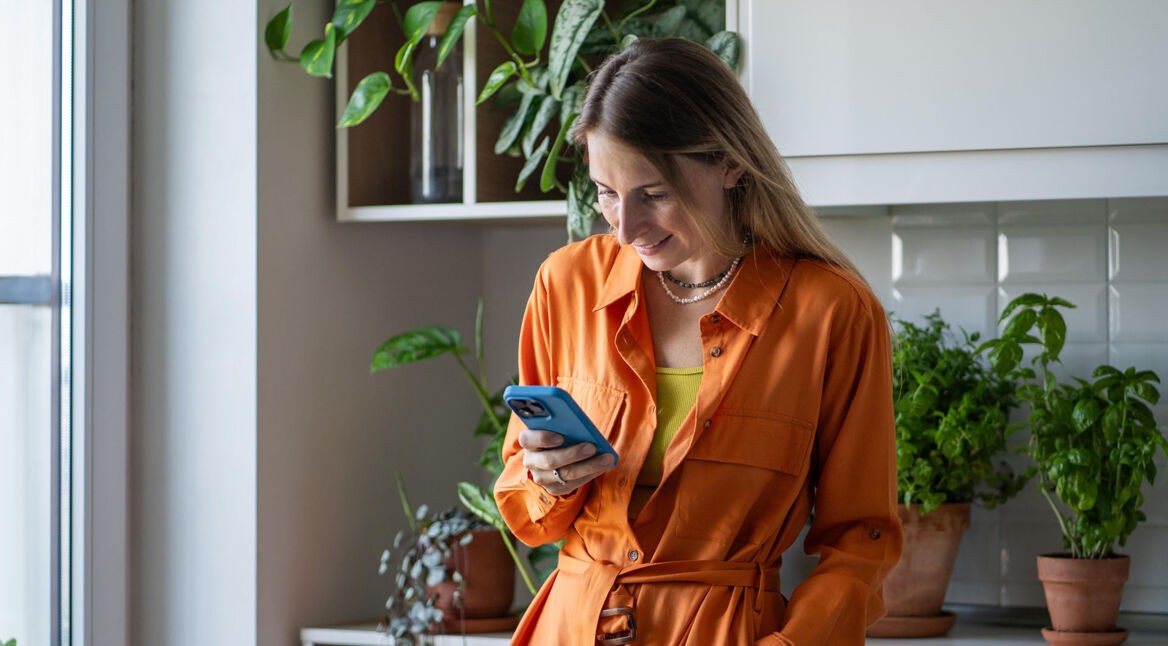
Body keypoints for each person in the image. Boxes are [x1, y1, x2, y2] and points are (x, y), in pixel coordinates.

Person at [493, 37, 902, 645]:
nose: (626, 227)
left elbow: (861, 540)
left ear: (730, 164)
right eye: (607, 192)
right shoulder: (566, 283)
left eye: (653, 194)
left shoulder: (832, 312)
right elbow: (524, 500)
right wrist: (547, 478)